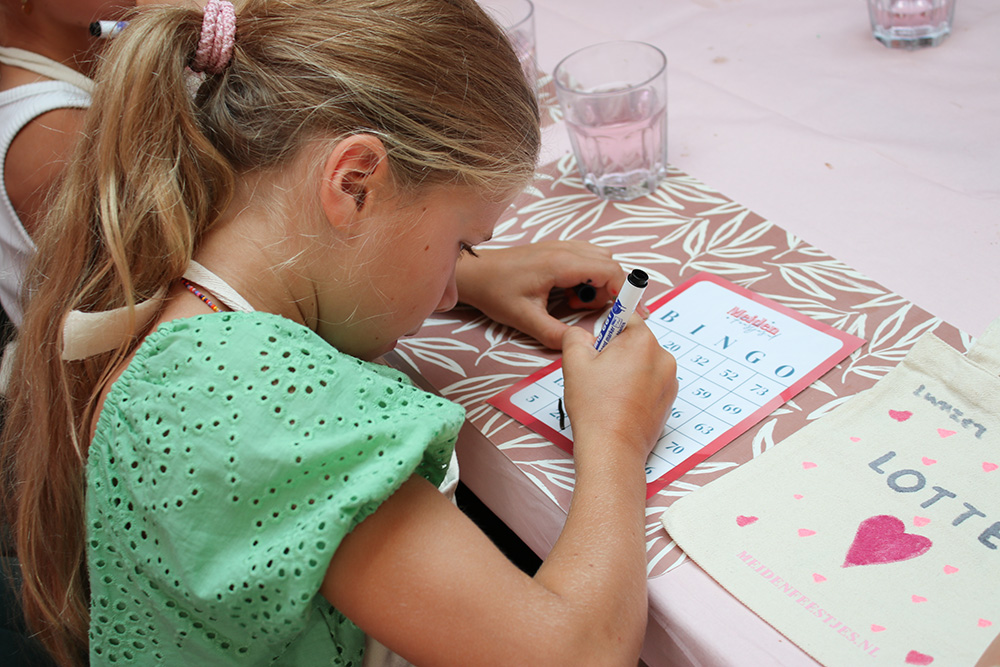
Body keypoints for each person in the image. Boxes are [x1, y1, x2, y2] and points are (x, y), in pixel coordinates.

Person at [1, 1, 678, 666]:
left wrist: (469, 275)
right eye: (462, 242)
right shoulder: (264, 410)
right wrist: (615, 433)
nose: (448, 288)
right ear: (354, 182)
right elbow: (577, 653)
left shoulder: (175, 272)